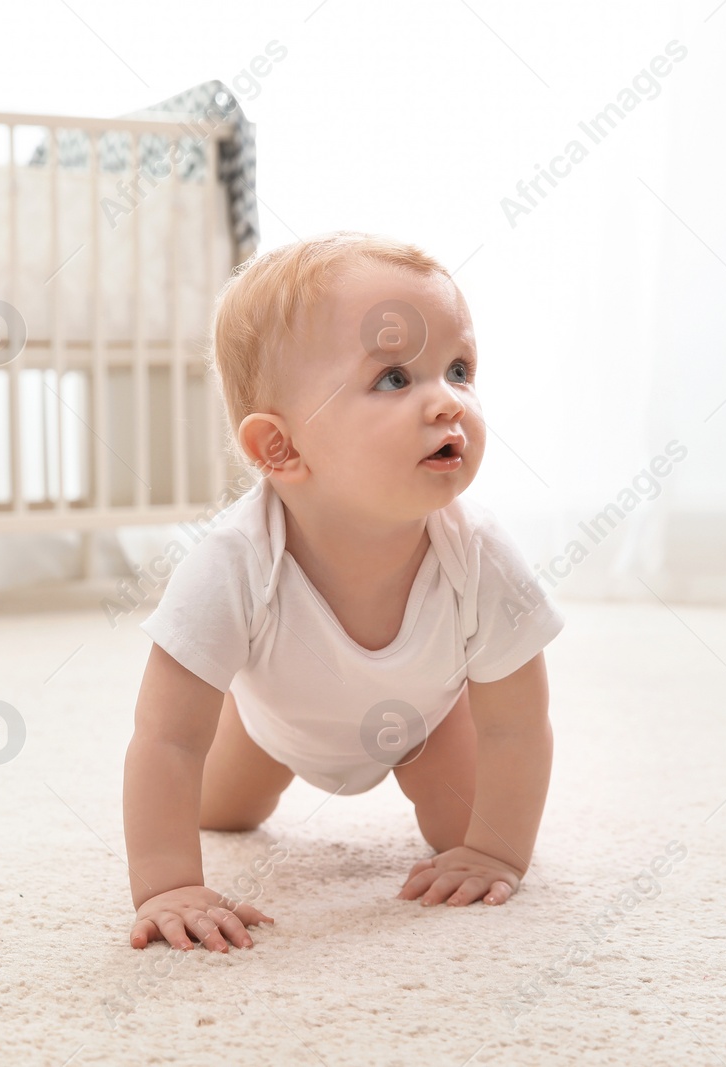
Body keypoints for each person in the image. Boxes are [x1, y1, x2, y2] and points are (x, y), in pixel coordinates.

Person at [122, 231, 565, 952]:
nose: (447, 401)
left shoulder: (479, 552)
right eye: (395, 378)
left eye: (459, 368)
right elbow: (167, 737)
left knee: (466, 833)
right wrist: (169, 884)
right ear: (280, 449)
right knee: (215, 810)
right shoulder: (233, 560)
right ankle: (246, 723)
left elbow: (518, 724)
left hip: (429, 724)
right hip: (271, 726)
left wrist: (497, 852)